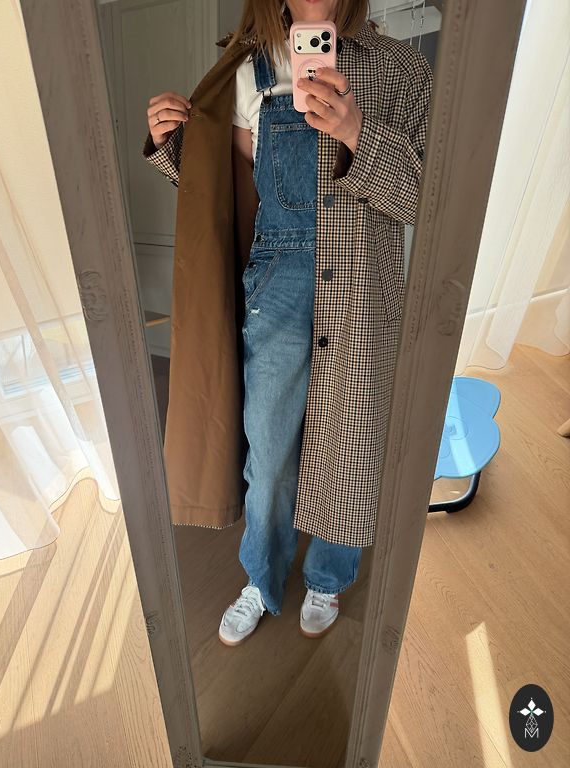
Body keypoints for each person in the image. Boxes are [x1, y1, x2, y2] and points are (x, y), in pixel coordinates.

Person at [143, 0, 433, 647]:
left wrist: (357, 131)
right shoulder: (244, 69)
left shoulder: (402, 69)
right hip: (277, 279)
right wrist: (173, 144)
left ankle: (327, 576)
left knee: (348, 443)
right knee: (269, 450)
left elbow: (424, 198)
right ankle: (262, 575)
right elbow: (226, 183)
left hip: (361, 286)